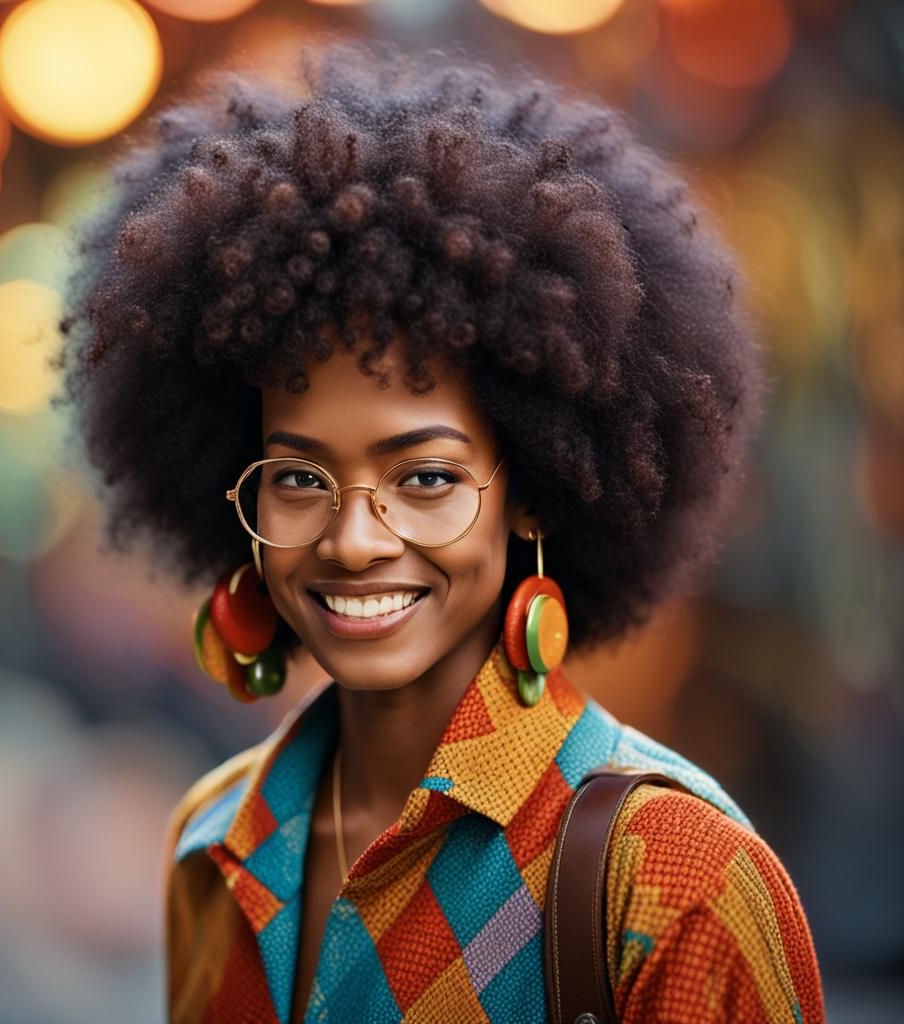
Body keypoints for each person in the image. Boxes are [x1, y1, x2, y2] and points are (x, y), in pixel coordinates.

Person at [57, 40, 824, 1024]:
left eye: (424, 478)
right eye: (298, 478)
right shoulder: (212, 846)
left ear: (533, 494)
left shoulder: (676, 884)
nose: (353, 539)